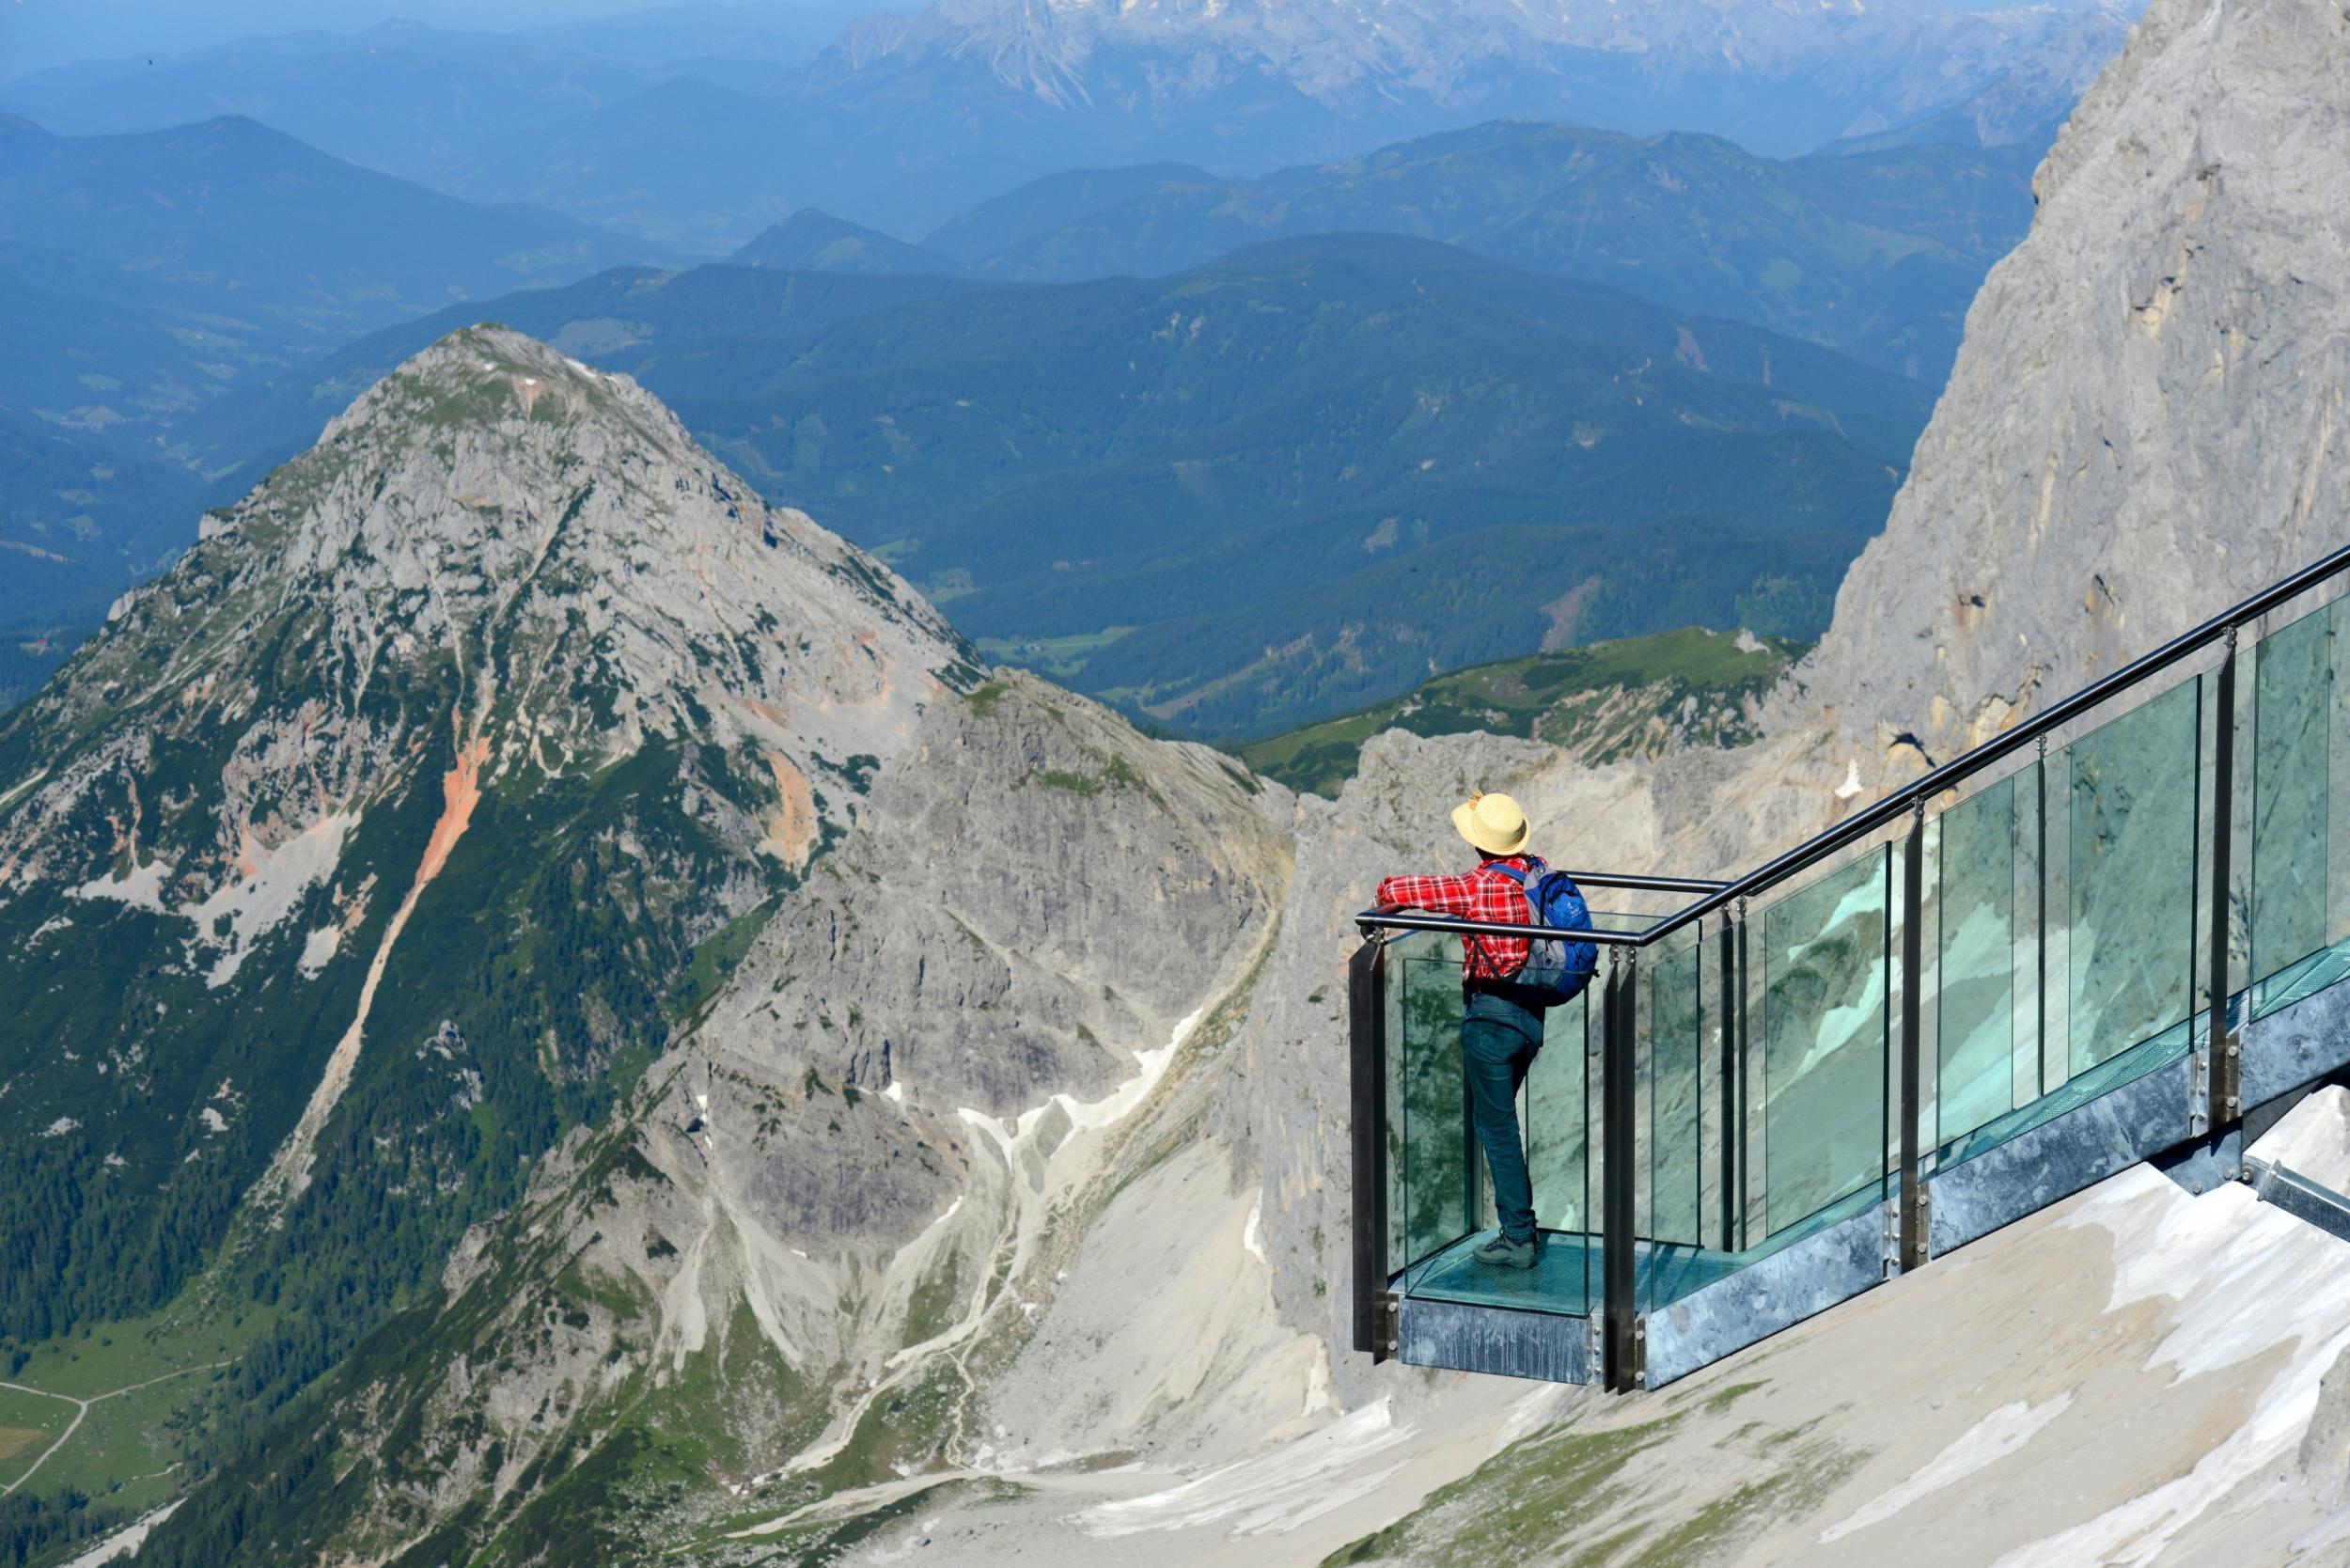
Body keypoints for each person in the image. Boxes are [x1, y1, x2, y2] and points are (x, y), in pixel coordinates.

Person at [1374, 790, 1551, 1270]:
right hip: (1532, 1014)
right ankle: (1516, 1228)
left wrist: (1382, 902)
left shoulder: (1479, 886)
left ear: (1479, 844)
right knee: (1495, 1120)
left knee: (1497, 1127)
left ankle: (1518, 1238)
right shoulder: (1536, 871)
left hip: (1491, 1020)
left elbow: (1400, 890)